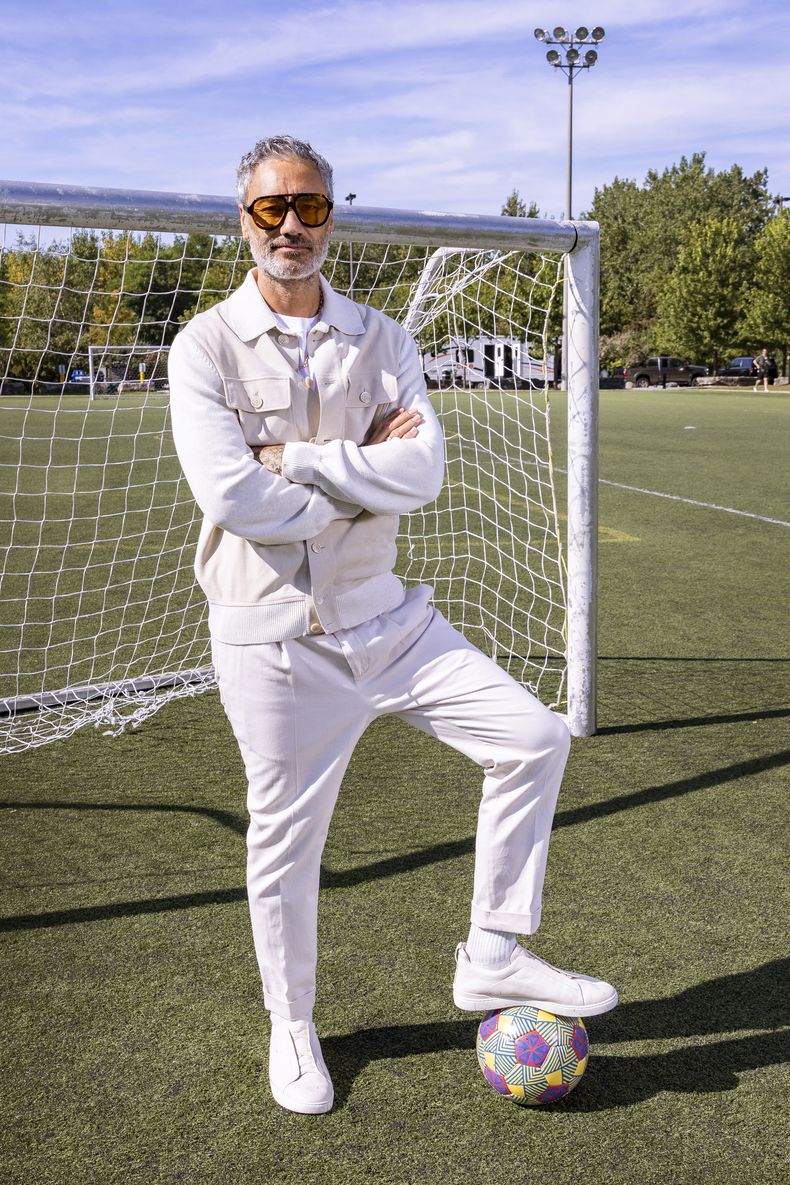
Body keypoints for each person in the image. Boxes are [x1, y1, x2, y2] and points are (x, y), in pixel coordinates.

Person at [168, 135, 617, 1116]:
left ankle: (491, 956)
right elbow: (232, 498)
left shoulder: (384, 338)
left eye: (312, 207)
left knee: (533, 737)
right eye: (271, 209)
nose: (292, 226)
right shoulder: (202, 344)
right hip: (273, 639)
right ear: (241, 219)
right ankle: (294, 1026)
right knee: (284, 844)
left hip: (389, 622)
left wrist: (297, 458)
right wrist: (357, 476)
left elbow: (424, 474)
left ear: (335, 214)